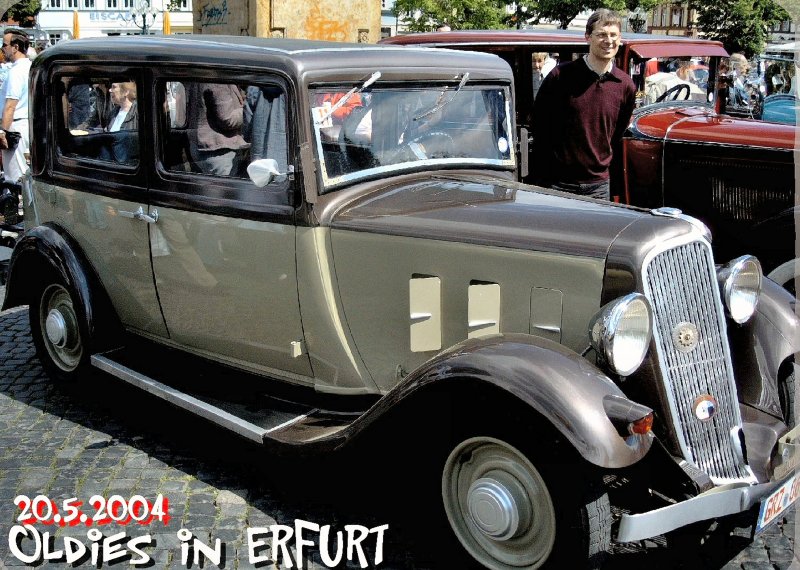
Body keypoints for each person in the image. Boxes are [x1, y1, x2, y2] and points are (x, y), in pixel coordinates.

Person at [531, 9, 636, 200]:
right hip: (558, 183)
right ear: (587, 37)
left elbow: (616, 133)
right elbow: (540, 125)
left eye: (614, 35)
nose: (609, 41)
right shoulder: (560, 77)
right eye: (602, 35)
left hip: (598, 185)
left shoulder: (625, 85)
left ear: (620, 40)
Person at [186, 82, 248, 176]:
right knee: (225, 189)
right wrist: (248, 110)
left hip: (204, 149)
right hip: (219, 153)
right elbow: (228, 119)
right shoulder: (218, 80)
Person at [0, 29, 32, 184]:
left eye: (5, 45)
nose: (2, 48)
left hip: (15, 127)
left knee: (14, 178)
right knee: (24, 174)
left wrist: (2, 131)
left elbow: (10, 106)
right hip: (27, 124)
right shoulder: (31, 68)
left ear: (16, 47)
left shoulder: (16, 71)